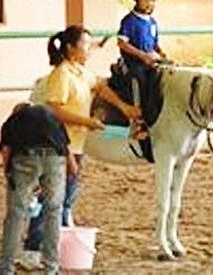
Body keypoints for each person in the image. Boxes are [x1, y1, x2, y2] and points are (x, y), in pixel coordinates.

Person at [19, 25, 142, 269]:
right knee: (52, 197)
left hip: (75, 145)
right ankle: (31, 248)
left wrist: (125, 108)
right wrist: (87, 121)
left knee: (65, 198)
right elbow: (54, 109)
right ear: (70, 48)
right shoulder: (61, 75)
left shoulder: (80, 72)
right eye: (85, 44)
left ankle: (56, 244)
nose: (89, 49)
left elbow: (100, 87)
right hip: (56, 145)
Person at [0, 103, 73, 275]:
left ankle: (6, 268)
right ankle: (51, 268)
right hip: (54, 159)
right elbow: (66, 147)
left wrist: (8, 173)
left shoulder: (13, 120)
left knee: (16, 212)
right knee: (53, 211)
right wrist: (70, 169)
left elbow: (6, 150)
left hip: (25, 157)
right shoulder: (51, 116)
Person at [117, 0, 169, 125]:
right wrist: (142, 56)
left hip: (150, 59)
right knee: (140, 79)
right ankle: (139, 115)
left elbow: (154, 44)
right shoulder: (130, 21)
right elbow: (122, 43)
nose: (149, 3)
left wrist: (162, 54)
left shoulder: (152, 22)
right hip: (134, 62)